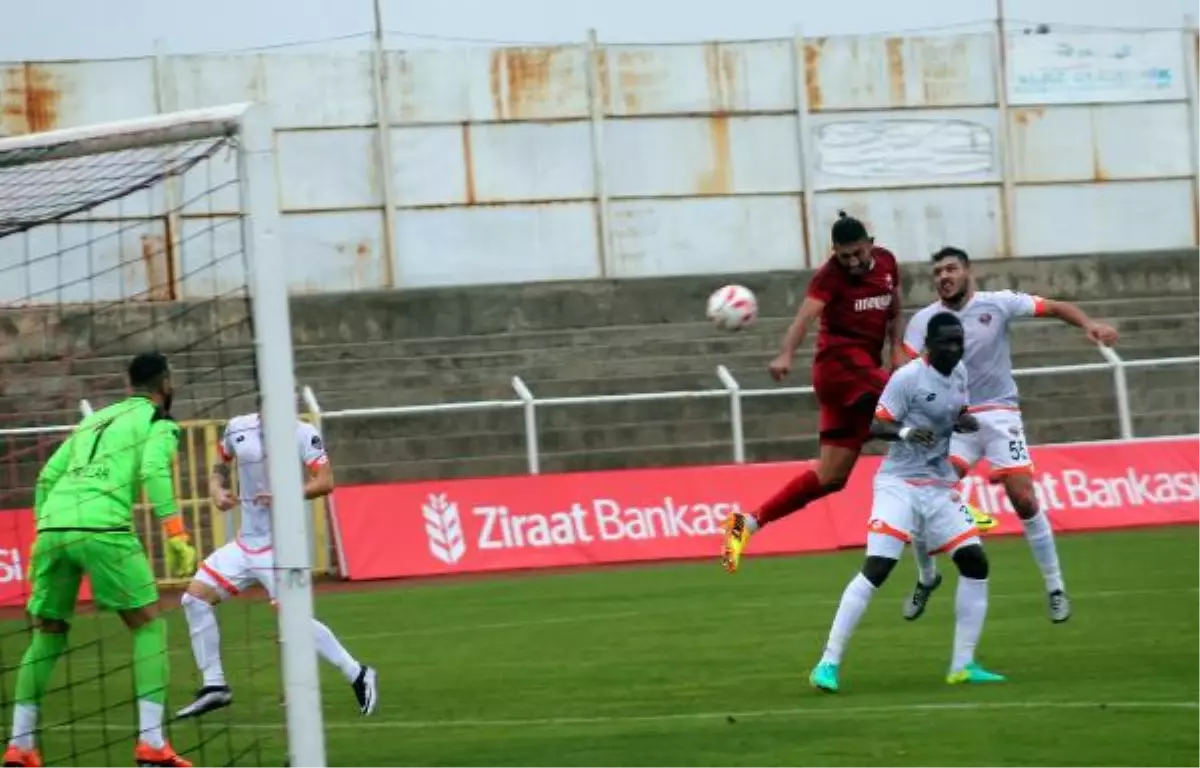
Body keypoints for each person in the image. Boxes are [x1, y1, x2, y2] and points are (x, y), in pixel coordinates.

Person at [898, 247, 1120, 624]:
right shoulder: (924, 321)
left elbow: (1054, 306)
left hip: (1000, 415)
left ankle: (1055, 587)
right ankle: (927, 577)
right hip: (956, 422)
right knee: (925, 496)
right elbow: (907, 369)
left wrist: (1089, 324)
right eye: (937, 272)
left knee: (1024, 499)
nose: (944, 276)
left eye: (951, 269)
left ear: (969, 272)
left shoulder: (998, 304)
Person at [4, 353, 197, 768]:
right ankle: (151, 742)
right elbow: (153, 469)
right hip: (103, 527)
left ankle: (20, 745)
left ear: (130, 384)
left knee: (48, 634)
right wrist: (176, 533)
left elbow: (46, 478)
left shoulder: (93, 420)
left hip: (53, 528)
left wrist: (46, 530)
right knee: (148, 623)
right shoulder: (158, 423)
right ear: (165, 383)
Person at [809, 312, 1005, 692]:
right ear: (929, 344)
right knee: (879, 566)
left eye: (958, 341)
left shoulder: (960, 373)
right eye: (946, 341)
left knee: (975, 562)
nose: (954, 348)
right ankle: (827, 663)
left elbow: (957, 410)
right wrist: (907, 431)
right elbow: (874, 425)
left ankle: (963, 665)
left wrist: (965, 421)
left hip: (937, 485)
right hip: (897, 483)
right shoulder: (908, 378)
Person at [721, 211, 905, 573]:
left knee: (831, 477)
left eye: (857, 253)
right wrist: (786, 353)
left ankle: (748, 523)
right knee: (914, 401)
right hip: (839, 367)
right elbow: (805, 317)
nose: (851, 262)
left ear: (870, 243)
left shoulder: (886, 263)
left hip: (862, 371)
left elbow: (895, 305)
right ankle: (952, 499)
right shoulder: (828, 277)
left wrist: (896, 345)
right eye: (843, 255)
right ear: (833, 252)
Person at [175, 405, 378, 720]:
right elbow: (219, 464)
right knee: (194, 599)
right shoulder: (237, 427)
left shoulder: (302, 433)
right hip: (245, 544)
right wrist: (217, 490)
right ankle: (214, 685)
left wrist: (287, 494)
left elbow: (324, 481)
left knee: (293, 620)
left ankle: (357, 673)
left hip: (281, 546)